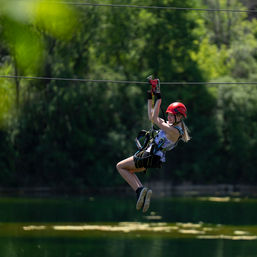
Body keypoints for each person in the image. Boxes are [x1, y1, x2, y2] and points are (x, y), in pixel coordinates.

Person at [116, 77, 190, 213]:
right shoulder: (170, 126)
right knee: (128, 171)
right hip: (152, 158)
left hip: (149, 156)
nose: (168, 117)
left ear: (179, 117)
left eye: (172, 116)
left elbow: (155, 119)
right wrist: (150, 95)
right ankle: (141, 192)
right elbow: (151, 116)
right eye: (168, 115)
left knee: (120, 166)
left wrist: (158, 96)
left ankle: (140, 190)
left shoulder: (174, 132)